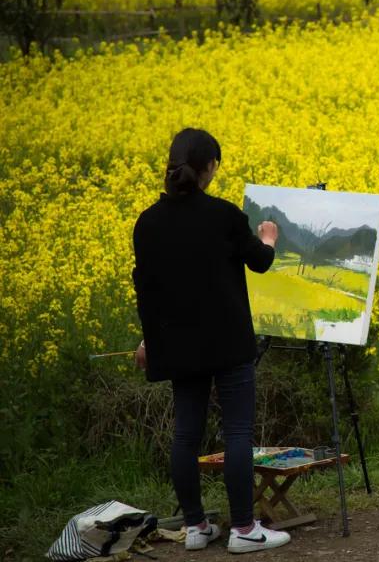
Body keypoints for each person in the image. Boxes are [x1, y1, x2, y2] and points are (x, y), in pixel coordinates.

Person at [132, 128, 291, 554]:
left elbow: (145, 290)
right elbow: (260, 262)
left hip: (178, 346)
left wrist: (149, 340)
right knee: (237, 431)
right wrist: (269, 239)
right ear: (210, 168)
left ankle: (196, 527)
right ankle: (243, 530)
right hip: (227, 342)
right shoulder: (224, 216)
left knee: (185, 435)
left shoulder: (147, 224)